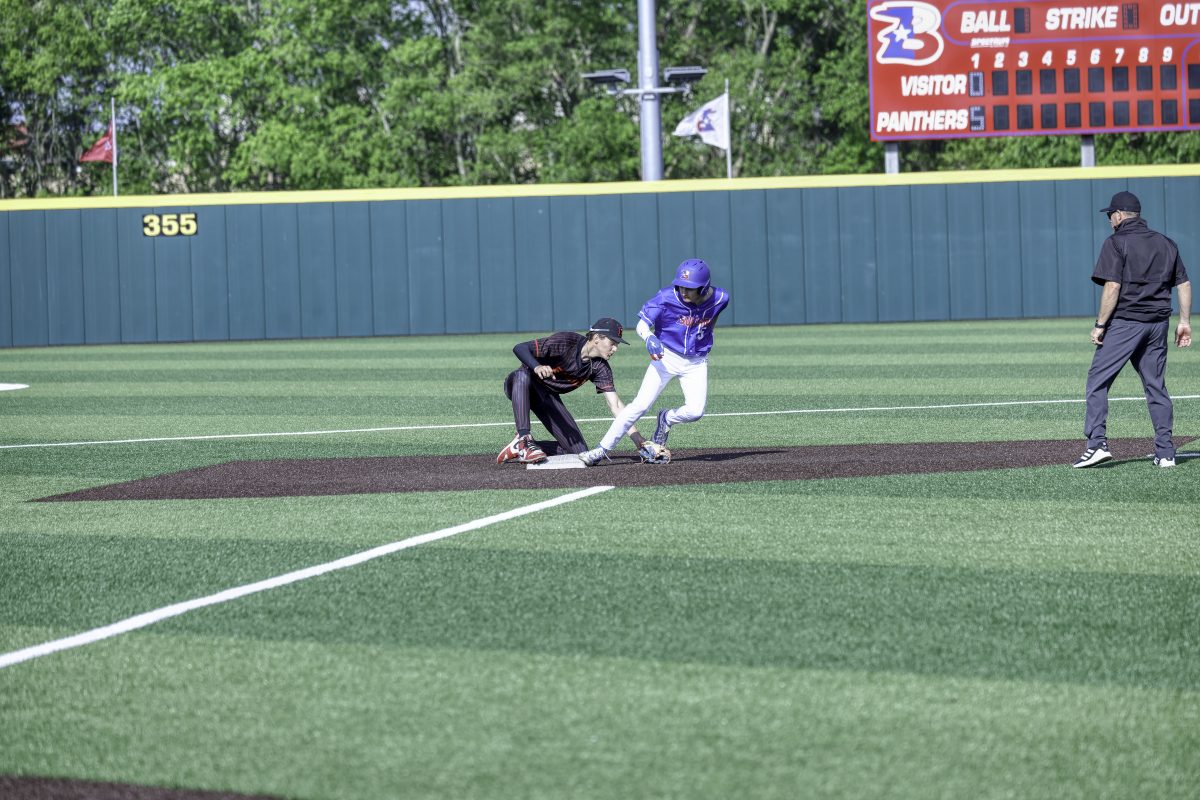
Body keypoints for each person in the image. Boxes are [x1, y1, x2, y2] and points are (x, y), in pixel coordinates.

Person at [1074, 190, 1192, 469]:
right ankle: (1166, 452)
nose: (1109, 220)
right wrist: (1185, 322)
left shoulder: (1116, 242)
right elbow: (1184, 284)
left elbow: (1112, 286)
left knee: (1097, 381)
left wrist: (1100, 325)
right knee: (1155, 386)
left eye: (1110, 215)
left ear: (1118, 215)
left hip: (1126, 323)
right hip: (1158, 324)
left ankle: (1097, 445)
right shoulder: (1166, 242)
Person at [579, 259, 731, 466]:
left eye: (690, 288)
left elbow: (711, 320)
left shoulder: (721, 298)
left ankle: (666, 418)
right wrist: (649, 337)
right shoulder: (666, 297)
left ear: (703, 288)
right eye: (681, 285)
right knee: (639, 406)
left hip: (696, 362)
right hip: (665, 357)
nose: (684, 291)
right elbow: (642, 325)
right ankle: (601, 450)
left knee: (695, 412)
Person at [496, 317, 656, 464]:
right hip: (520, 386)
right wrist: (537, 367)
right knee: (522, 375)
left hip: (546, 397)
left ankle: (520, 448)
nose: (615, 348)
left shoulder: (600, 367)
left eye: (617, 344)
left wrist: (638, 440)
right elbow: (520, 348)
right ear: (597, 338)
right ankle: (524, 438)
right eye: (612, 342)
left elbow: (616, 405)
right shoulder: (567, 342)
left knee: (579, 453)